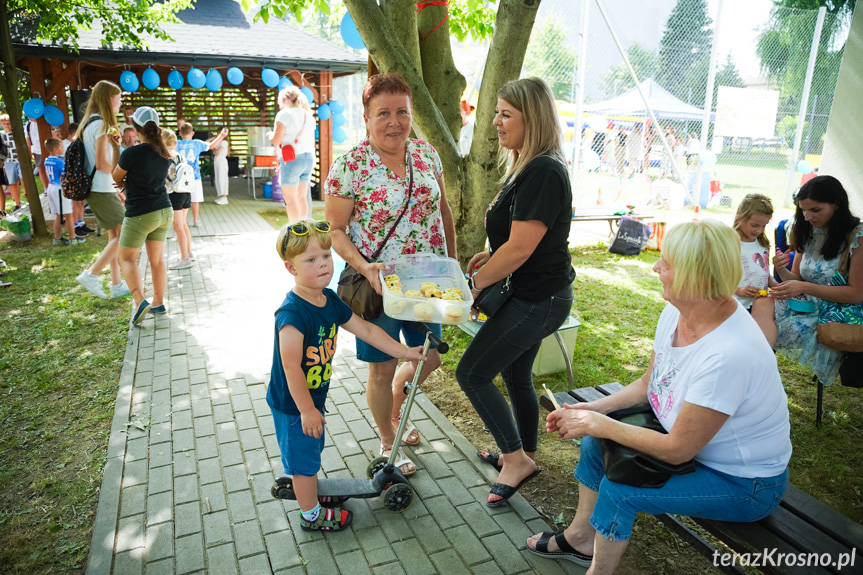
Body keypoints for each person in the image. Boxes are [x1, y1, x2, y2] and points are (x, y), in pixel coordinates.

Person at [527, 220, 792, 572]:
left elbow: (679, 449)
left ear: (694, 276)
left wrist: (599, 422)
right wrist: (592, 410)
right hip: (692, 448)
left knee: (620, 492)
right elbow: (648, 383)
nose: (655, 267)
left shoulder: (730, 352)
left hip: (745, 483)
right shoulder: (677, 312)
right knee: (595, 442)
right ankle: (580, 537)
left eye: (665, 262)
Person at [324, 73, 457, 476]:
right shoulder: (349, 167)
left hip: (429, 284)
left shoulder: (427, 155)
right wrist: (364, 266)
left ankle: (397, 409)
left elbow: (444, 212)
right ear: (366, 118)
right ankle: (387, 439)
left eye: (402, 112)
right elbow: (335, 231)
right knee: (381, 370)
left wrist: (453, 267)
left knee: (430, 356)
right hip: (378, 287)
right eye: (384, 113)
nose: (394, 122)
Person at [456, 77, 575, 507]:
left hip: (538, 299)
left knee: (471, 373)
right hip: (535, 292)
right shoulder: (529, 165)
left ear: (533, 119)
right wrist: (489, 259)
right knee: (514, 374)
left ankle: (515, 459)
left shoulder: (543, 170)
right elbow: (517, 240)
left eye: (506, 114)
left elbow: (523, 248)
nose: (495, 122)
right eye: (497, 113)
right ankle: (524, 453)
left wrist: (474, 286)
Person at [269, 218, 427, 531]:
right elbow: (290, 368)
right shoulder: (292, 314)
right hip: (294, 405)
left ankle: (310, 493)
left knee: (310, 453)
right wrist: (306, 410)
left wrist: (403, 351)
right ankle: (311, 516)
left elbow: (366, 328)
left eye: (326, 256)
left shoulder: (329, 300)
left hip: (312, 400)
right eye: (311, 260)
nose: (323, 264)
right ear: (291, 268)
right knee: (303, 462)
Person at [772, 175, 863, 385]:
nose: (807, 216)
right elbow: (797, 278)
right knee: (759, 309)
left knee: (765, 330)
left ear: (836, 205)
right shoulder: (807, 231)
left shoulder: (857, 237)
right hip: (805, 305)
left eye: (815, 210)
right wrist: (781, 270)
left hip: (835, 315)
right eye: (803, 209)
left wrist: (803, 286)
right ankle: (759, 375)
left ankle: (759, 378)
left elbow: (856, 294)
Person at [112, 107, 174, 325]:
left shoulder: (131, 153)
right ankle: (158, 302)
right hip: (164, 211)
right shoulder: (164, 152)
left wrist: (115, 147)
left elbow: (115, 176)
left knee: (126, 258)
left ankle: (140, 302)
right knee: (156, 260)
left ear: (136, 128)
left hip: (140, 213)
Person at [75, 80, 131, 300]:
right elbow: (101, 164)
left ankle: (116, 285)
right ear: (109, 98)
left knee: (115, 236)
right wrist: (121, 173)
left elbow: (107, 161)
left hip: (103, 188)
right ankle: (91, 273)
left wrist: (116, 148)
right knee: (126, 231)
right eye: (117, 97)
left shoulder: (96, 122)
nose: (120, 102)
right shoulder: (99, 124)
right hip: (99, 189)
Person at [732, 193, 777, 346]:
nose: (759, 230)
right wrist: (738, 290)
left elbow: (764, 273)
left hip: (759, 307)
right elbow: (715, 278)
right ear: (740, 217)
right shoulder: (730, 243)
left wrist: (777, 286)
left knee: (756, 342)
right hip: (736, 305)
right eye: (754, 225)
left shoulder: (762, 243)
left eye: (764, 226)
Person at [267, 86, 316, 222]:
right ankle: (305, 228)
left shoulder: (284, 114)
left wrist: (270, 135)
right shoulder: (309, 115)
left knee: (290, 198)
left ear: (285, 99)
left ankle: (295, 232)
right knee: (301, 197)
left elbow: (276, 140)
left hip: (292, 159)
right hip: (308, 158)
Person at [177, 123, 228, 227]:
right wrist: (221, 135)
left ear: (180, 133)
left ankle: (184, 221)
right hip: (194, 176)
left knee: (182, 200)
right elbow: (212, 145)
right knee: (195, 200)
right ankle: (196, 220)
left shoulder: (176, 144)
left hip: (181, 177)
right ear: (192, 133)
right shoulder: (196, 143)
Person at [162, 129, 194, 270]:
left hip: (174, 194)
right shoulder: (180, 155)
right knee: (184, 225)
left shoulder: (164, 157)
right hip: (186, 191)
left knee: (178, 227)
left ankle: (184, 259)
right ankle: (188, 252)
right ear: (175, 143)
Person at [43, 138, 84, 246]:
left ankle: (57, 238)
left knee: (58, 214)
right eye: (61, 147)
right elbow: (66, 176)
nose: (63, 149)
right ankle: (72, 238)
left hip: (51, 187)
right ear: (55, 149)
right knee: (69, 214)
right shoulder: (60, 162)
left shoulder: (47, 160)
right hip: (60, 189)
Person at [0, 114, 22, 212]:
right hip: (8, 162)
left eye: (9, 123)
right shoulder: (1, 134)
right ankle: (17, 204)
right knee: (13, 183)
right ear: (1, 124)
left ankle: (29, 197)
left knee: (23, 178)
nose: (7, 125)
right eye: (5, 124)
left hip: (19, 160)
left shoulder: (15, 133)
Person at [25, 118, 49, 189]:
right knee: (41, 169)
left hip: (47, 149)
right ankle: (46, 188)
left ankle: (51, 185)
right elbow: (28, 139)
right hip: (37, 150)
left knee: (48, 168)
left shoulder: (44, 122)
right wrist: (29, 151)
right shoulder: (28, 125)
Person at [212, 126, 229, 205]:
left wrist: (213, 149)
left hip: (221, 160)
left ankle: (224, 197)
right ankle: (221, 196)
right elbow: (207, 142)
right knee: (218, 179)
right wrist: (215, 137)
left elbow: (217, 152)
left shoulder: (224, 142)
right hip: (217, 160)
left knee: (222, 178)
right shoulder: (218, 142)